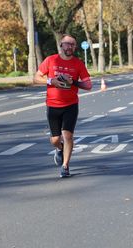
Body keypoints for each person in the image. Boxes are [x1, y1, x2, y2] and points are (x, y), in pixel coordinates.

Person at [34, 34, 92, 178]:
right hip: (53, 105)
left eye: (72, 45)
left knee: (68, 135)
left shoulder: (78, 64)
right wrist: (50, 81)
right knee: (55, 139)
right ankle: (59, 148)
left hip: (70, 105)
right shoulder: (51, 60)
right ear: (61, 45)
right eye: (67, 44)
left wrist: (74, 82)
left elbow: (88, 85)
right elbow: (36, 78)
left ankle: (65, 166)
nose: (70, 47)